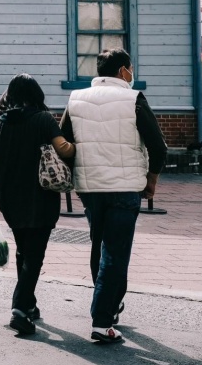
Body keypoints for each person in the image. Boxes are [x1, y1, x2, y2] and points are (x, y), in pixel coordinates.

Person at [61, 48, 167, 345]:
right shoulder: (134, 99)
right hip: (124, 188)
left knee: (100, 246)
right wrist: (152, 181)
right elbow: (158, 147)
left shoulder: (76, 99)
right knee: (116, 253)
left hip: (90, 188)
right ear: (123, 71)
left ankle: (111, 304)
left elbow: (63, 142)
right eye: (131, 68)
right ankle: (102, 321)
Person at [0, 74, 75, 336]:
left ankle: (29, 304)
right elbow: (64, 149)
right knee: (35, 253)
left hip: (8, 196)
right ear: (36, 95)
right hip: (39, 195)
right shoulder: (43, 119)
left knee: (24, 248)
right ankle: (19, 310)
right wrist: (80, 147)